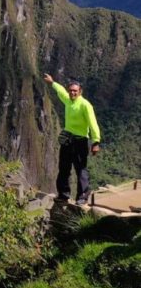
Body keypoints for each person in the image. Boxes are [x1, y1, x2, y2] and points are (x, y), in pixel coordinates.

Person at [43, 74, 101, 205]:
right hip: (68, 140)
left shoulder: (85, 105)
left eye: (75, 91)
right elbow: (61, 91)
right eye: (71, 90)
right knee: (64, 168)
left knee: (80, 169)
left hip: (80, 141)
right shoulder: (68, 100)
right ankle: (63, 195)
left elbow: (93, 123)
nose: (72, 93)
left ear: (80, 92)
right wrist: (52, 83)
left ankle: (83, 196)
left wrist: (96, 141)